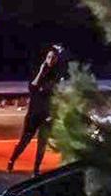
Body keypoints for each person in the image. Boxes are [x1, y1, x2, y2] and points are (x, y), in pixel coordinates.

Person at [7, 44, 67, 176]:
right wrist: (40, 72)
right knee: (24, 141)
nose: (51, 60)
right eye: (49, 57)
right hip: (33, 114)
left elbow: (53, 92)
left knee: (42, 144)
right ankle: (12, 160)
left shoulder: (57, 74)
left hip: (47, 115)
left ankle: (36, 169)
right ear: (45, 58)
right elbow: (32, 87)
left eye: (53, 58)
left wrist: (53, 113)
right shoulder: (38, 71)